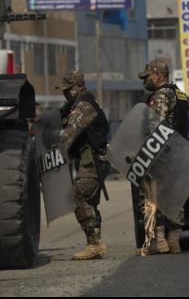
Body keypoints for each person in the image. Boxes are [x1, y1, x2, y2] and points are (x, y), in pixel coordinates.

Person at [137, 59, 189, 254]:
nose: (146, 81)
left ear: (158, 76)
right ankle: (174, 239)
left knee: (154, 196)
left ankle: (159, 241)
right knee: (175, 196)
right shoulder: (182, 95)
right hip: (180, 152)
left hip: (162, 153)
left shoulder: (160, 96)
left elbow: (155, 127)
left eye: (148, 76)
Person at [57, 70, 110, 260]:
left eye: (68, 89)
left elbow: (70, 134)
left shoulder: (83, 106)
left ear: (79, 87)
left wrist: (54, 153)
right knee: (89, 202)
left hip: (93, 160)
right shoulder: (75, 105)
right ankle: (95, 243)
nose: (65, 93)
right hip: (90, 159)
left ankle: (94, 244)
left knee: (79, 195)